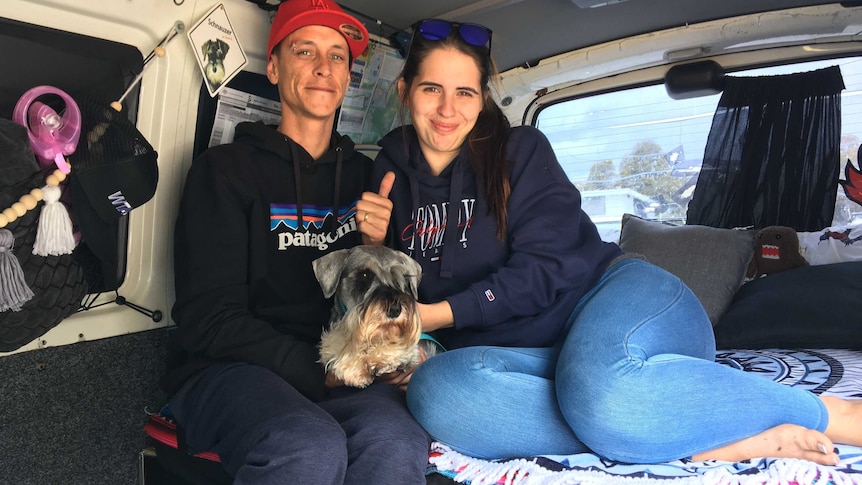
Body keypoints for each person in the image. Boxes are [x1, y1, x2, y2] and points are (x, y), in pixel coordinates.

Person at [370, 18, 862, 467]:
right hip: (534, 356)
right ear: (404, 89)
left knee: (603, 389)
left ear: (483, 99)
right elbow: (398, 296)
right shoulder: (388, 177)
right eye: (432, 88)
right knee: (438, 392)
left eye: (466, 93)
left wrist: (431, 316)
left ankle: (826, 412)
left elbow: (544, 269)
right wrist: (376, 247)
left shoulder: (519, 153)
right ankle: (685, 432)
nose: (448, 110)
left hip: (621, 303)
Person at [160, 1, 430, 484]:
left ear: (349, 77)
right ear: (274, 67)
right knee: (308, 445)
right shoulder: (224, 172)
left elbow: (382, 301)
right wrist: (316, 371)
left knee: (397, 440)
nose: (323, 68)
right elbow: (207, 319)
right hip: (230, 370)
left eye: (337, 56)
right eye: (304, 51)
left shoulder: (368, 180)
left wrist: (377, 243)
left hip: (345, 369)